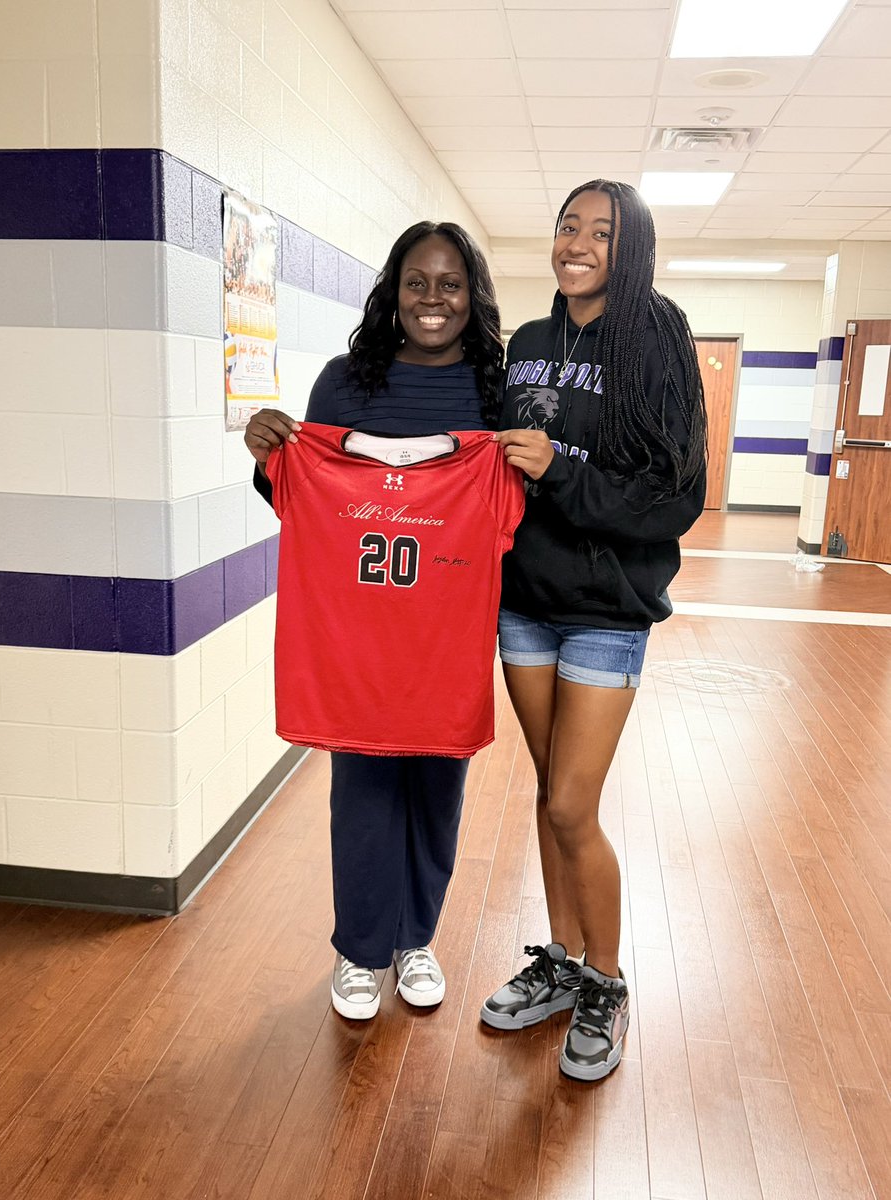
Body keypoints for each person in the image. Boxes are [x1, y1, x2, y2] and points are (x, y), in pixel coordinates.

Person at [244, 221, 503, 1019]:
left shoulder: (496, 392)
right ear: (392, 290)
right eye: (416, 282)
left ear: (473, 297)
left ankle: (415, 941)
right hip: (357, 635)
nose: (433, 299)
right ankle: (360, 953)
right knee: (361, 791)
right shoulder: (342, 382)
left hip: (447, 631)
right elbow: (305, 502)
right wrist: (268, 458)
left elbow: (516, 510)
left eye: (450, 284)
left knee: (437, 788)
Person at [481, 180, 707, 1081]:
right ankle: (565, 962)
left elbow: (674, 500)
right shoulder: (529, 345)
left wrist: (561, 470)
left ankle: (607, 982)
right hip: (524, 602)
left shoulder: (657, 339)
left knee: (574, 804)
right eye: (568, 225)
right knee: (548, 793)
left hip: (607, 613)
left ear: (632, 247)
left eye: (601, 232)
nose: (577, 242)